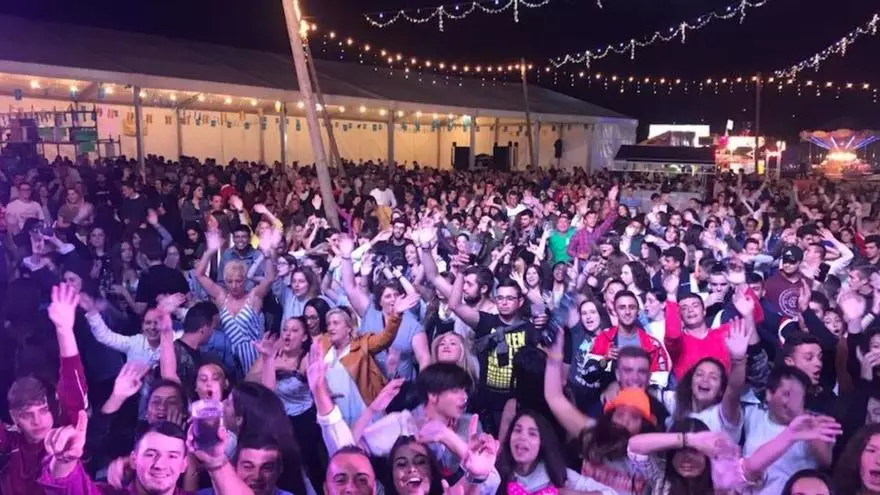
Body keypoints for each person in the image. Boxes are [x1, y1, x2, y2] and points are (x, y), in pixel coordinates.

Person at [0, 284, 88, 495]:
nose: (37, 421)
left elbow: (73, 384)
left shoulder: (65, 432)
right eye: (27, 415)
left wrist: (64, 330)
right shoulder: (10, 443)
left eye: (42, 410)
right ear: (14, 418)